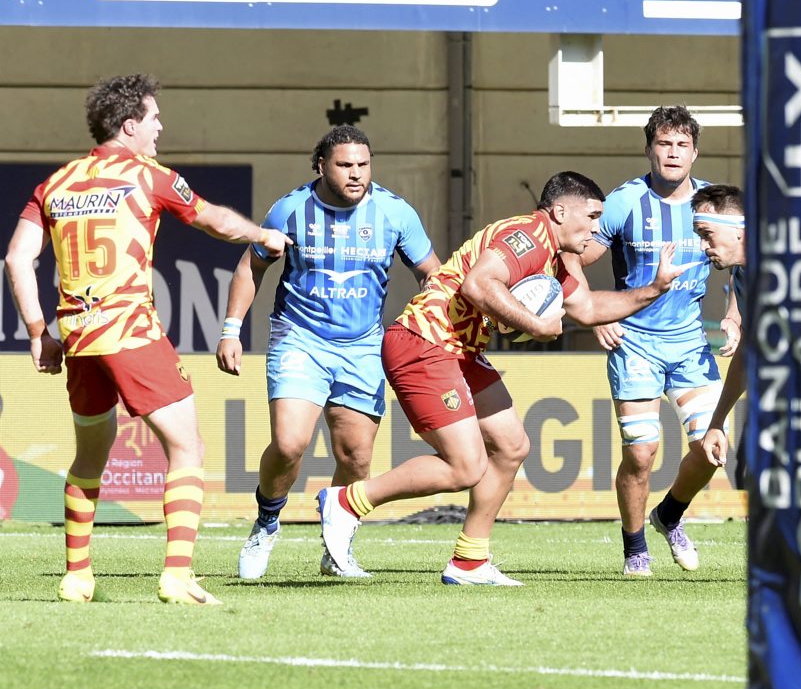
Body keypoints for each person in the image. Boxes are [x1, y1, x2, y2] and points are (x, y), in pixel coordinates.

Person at [3, 73, 291, 604]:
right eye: (154, 118)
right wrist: (262, 235)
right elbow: (213, 221)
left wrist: (40, 333)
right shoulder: (149, 176)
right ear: (130, 125)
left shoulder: (56, 183)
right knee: (187, 447)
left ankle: (77, 577)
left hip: (79, 339)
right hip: (130, 331)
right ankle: (177, 575)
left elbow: (17, 259)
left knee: (89, 458)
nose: (160, 127)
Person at [316, 171, 683, 585]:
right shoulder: (528, 235)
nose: (597, 229)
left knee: (511, 446)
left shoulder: (554, 258)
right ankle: (349, 502)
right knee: (465, 466)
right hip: (426, 340)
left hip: (460, 350)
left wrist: (655, 289)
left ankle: (469, 561)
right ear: (560, 212)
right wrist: (535, 324)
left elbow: (588, 308)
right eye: (592, 216)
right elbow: (478, 284)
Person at [216, 125, 440, 580]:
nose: (356, 174)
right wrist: (231, 330)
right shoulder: (291, 209)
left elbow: (432, 273)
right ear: (321, 166)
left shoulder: (395, 212)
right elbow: (250, 268)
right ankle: (266, 522)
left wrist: (432, 321)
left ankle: (337, 547)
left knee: (356, 456)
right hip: (300, 337)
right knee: (289, 443)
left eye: (363, 164)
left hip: (364, 345)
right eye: (345, 165)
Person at [562, 106, 740, 577]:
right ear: (649, 150)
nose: (673, 153)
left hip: (689, 344)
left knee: (712, 448)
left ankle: (670, 515)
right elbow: (572, 252)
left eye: (682, 145)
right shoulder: (625, 202)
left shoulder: (711, 203)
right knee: (641, 454)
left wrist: (734, 314)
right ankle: (635, 548)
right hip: (635, 343)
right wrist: (594, 311)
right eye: (664, 143)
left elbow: (739, 258)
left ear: (695, 153)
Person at [689, 185, 747, 474]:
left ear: (739, 230)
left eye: (707, 234)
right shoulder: (741, 270)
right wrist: (717, 422)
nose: (703, 246)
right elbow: (749, 355)